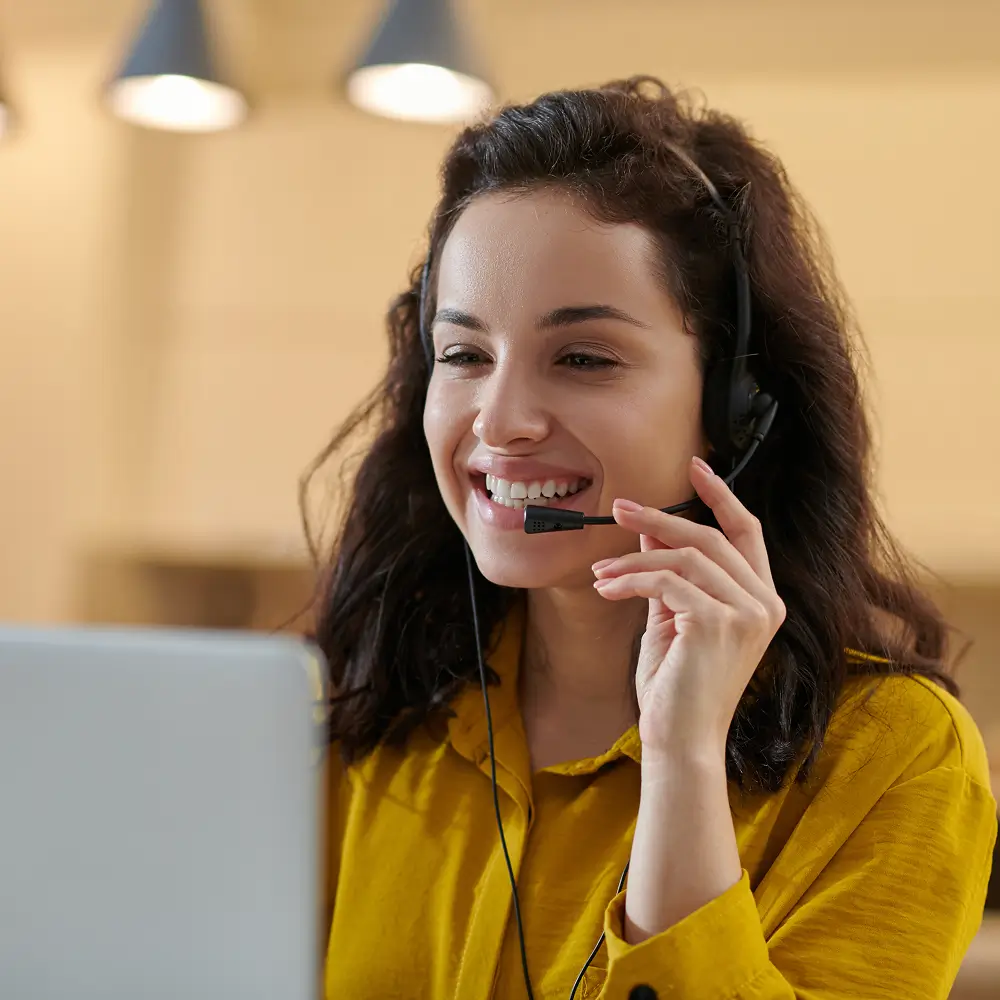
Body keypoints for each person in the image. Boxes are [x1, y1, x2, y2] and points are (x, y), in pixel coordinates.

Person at [309, 77, 997, 999]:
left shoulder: (895, 758)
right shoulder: (367, 713)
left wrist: (682, 762)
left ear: (732, 408)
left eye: (584, 357)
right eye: (464, 354)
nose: (500, 420)